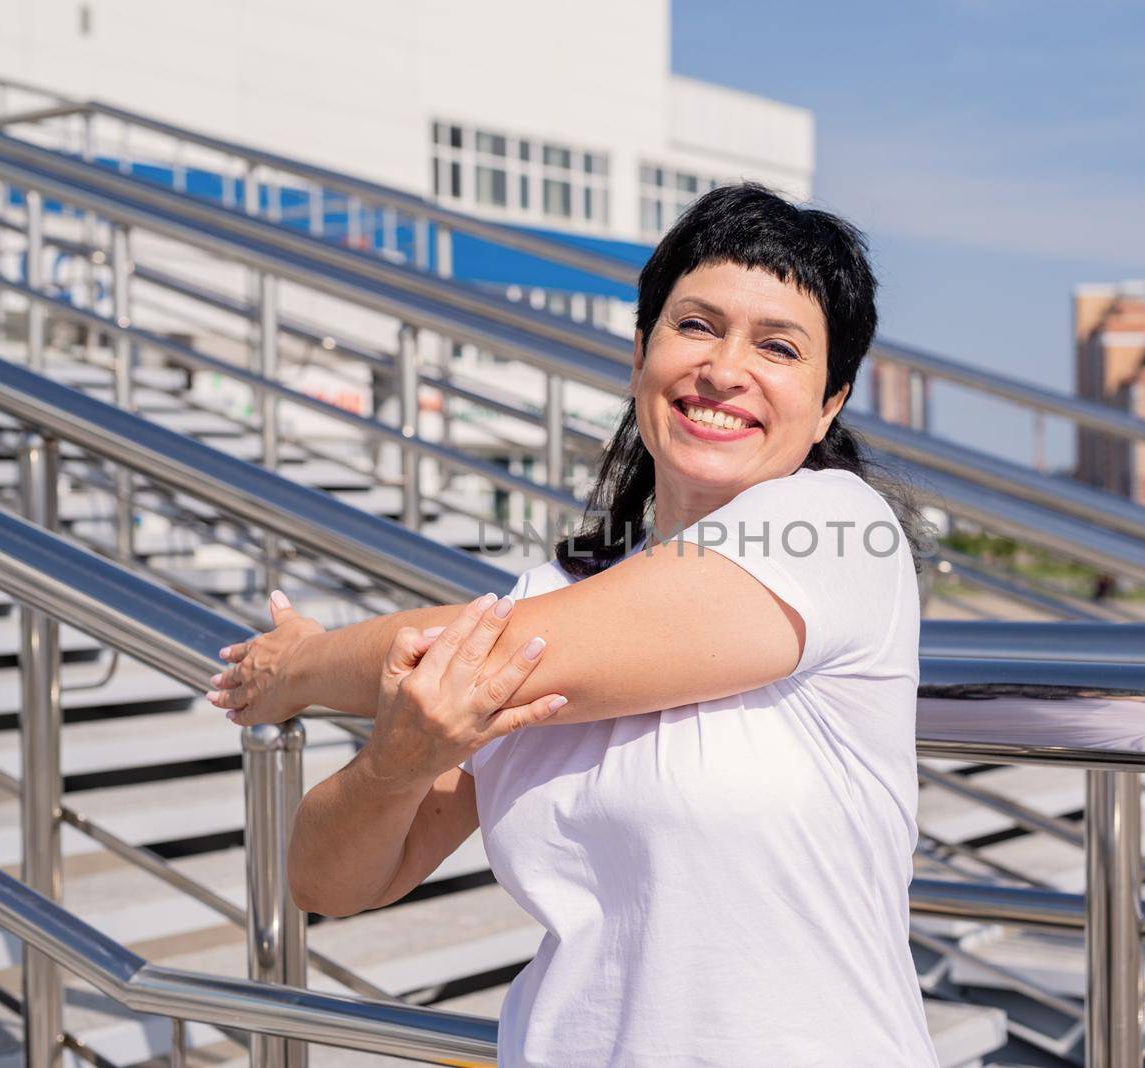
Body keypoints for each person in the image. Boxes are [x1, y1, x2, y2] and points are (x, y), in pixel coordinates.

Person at [208, 183, 939, 1067]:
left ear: (829, 402)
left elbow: (499, 652)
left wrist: (299, 666)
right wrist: (393, 765)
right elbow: (327, 882)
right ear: (641, 354)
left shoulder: (837, 529)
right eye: (696, 326)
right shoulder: (552, 591)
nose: (724, 370)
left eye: (777, 347)